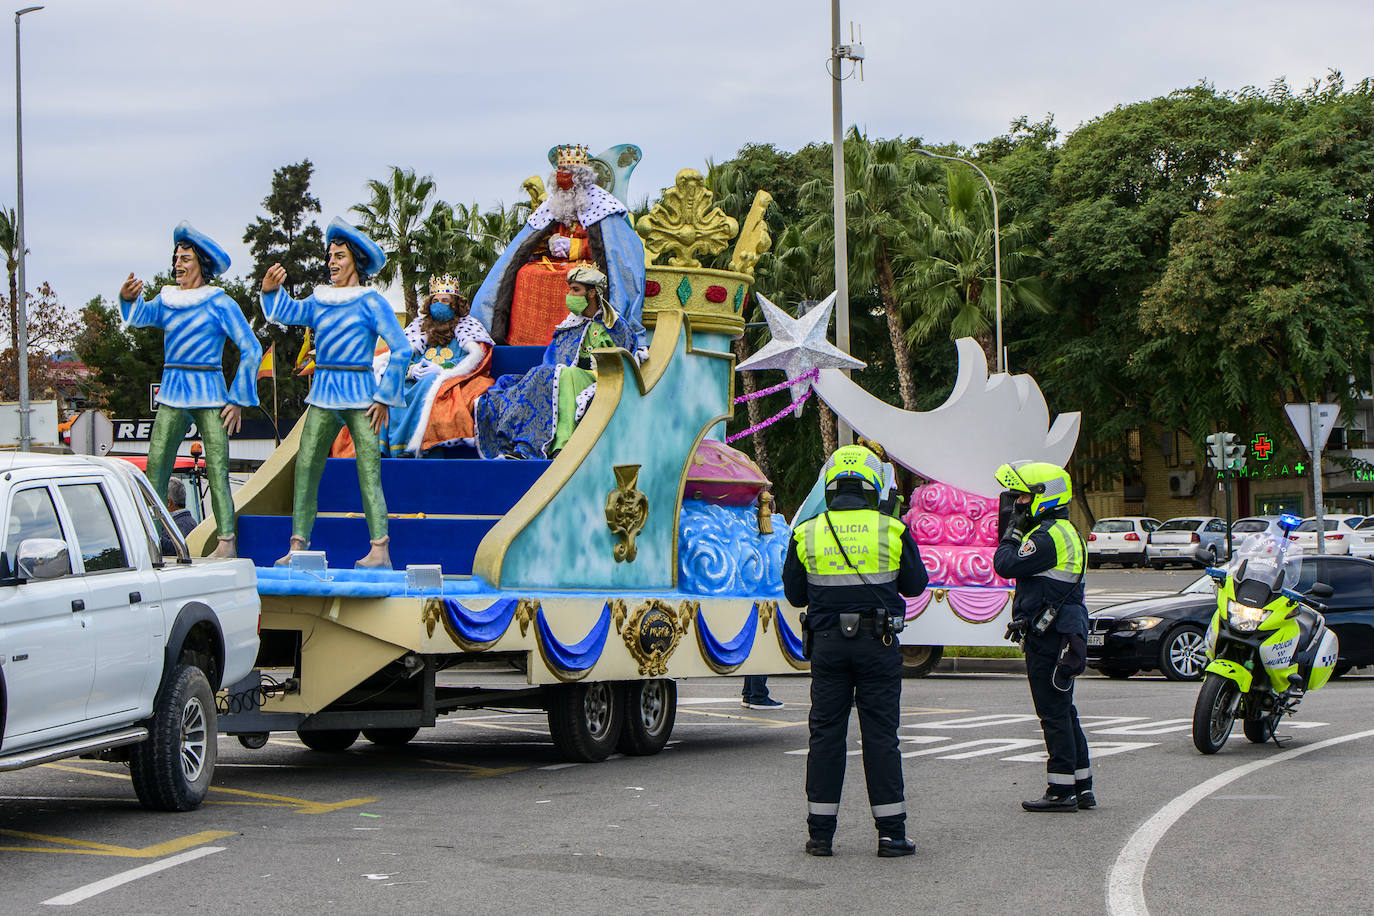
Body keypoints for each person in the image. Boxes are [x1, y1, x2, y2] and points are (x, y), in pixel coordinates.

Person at [783, 444, 928, 858]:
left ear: (830, 486)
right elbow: (916, 586)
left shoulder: (806, 531)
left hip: (827, 647)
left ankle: (820, 836)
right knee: (881, 737)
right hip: (878, 645)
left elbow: (794, 595)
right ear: (872, 486)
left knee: (826, 736)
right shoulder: (892, 529)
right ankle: (891, 835)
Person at [261, 217, 410, 569]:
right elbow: (289, 312)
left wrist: (385, 396)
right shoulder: (319, 299)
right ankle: (298, 545)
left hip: (361, 395)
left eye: (339, 256)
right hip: (324, 394)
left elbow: (401, 349)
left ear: (355, 262)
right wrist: (270, 291)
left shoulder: (372, 302)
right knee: (307, 467)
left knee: (369, 470)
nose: (332, 262)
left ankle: (379, 550)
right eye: (330, 256)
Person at [118, 222, 263, 559]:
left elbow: (251, 348)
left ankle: (226, 542)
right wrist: (128, 299)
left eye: (185, 258)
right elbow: (141, 315)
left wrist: (238, 399)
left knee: (218, 469)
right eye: (177, 259)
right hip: (172, 395)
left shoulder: (220, 303)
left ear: (201, 264)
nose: (178, 265)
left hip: (210, 395)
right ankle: (150, 543)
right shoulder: (168, 300)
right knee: (155, 467)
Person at [471, 144, 647, 351]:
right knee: (526, 274)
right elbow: (528, 245)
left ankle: (575, 342)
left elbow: (614, 251)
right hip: (553, 263)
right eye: (560, 173)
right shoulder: (553, 205)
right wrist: (548, 244)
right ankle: (521, 342)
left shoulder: (603, 206)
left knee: (572, 279)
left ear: (580, 177)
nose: (563, 177)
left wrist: (575, 247)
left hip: (587, 265)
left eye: (568, 174)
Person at [991, 460, 1093, 813]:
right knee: (1065, 710)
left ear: (1041, 497)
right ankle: (1082, 785)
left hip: (1050, 635)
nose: (1016, 503)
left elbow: (1004, 564)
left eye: (1021, 497)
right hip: (1063, 631)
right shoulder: (1067, 532)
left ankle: (1060, 789)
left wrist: (1011, 532)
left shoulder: (1046, 537)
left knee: (1052, 711)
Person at [474, 265, 645, 460]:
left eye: (575, 290)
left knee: (565, 376)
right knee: (516, 380)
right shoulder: (570, 325)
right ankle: (525, 445)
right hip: (565, 375)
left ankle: (561, 446)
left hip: (600, 380)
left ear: (592, 293)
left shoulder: (615, 325)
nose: (570, 294)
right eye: (570, 289)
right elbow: (553, 359)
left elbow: (626, 359)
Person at [332, 274, 495, 457]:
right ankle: (383, 448)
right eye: (435, 300)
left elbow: (473, 361)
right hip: (414, 378)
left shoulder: (468, 328)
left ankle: (412, 447)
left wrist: (443, 371)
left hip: (447, 380)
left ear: (455, 304)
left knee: (429, 382)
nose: (439, 303)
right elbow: (402, 357)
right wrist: (411, 370)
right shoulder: (418, 329)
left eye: (445, 300)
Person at [159, 476, 198, 555]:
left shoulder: (183, 524)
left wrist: (152, 534)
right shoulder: (185, 521)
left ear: (168, 502)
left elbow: (175, 550)